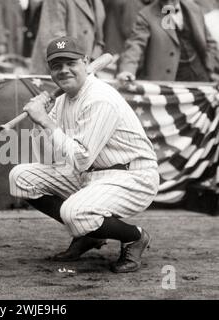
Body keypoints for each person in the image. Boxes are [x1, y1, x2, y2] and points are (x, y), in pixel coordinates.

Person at [9, 36, 159, 273]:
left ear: (86, 62)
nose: (64, 70)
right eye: (57, 66)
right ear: (50, 70)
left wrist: (47, 122)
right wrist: (41, 122)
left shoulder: (99, 98)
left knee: (74, 212)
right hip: (90, 174)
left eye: (71, 63)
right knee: (21, 178)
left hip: (131, 176)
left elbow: (80, 157)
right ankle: (89, 234)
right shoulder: (62, 100)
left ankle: (134, 237)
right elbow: (50, 159)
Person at [117, 0, 218, 82]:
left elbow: (210, 43)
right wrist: (127, 70)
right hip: (169, 84)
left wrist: (211, 68)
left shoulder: (193, 8)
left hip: (202, 81)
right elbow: (135, 45)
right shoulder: (146, 15)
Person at [30, 0, 106, 74]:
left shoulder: (97, 2)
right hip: (56, 74)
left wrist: (92, 64)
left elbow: (99, 39)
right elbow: (54, 40)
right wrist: (77, 68)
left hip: (82, 72)